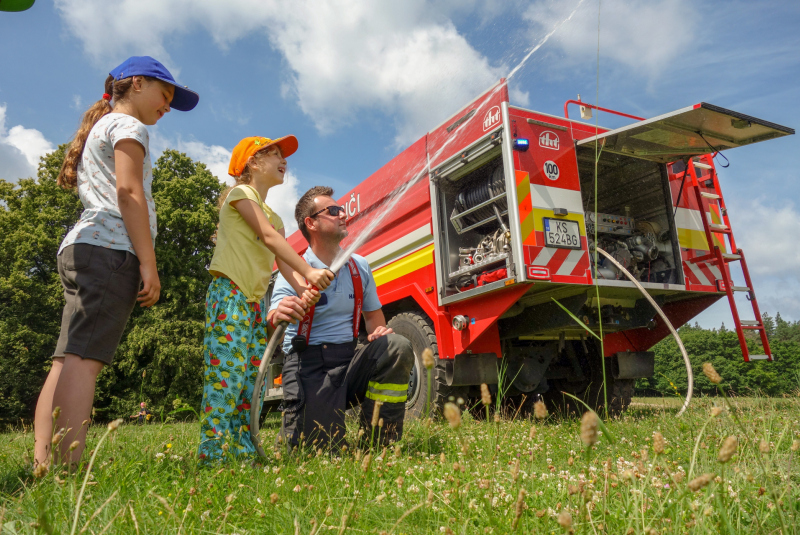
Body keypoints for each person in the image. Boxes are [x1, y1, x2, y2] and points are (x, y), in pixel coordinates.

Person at [33, 56, 199, 469]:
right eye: (166, 94)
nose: (167, 105)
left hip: (83, 247)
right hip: (110, 249)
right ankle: (68, 470)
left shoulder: (102, 127)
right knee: (86, 361)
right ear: (137, 84)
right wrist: (149, 262)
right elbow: (128, 193)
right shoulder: (129, 126)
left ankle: (44, 465)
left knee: (66, 359)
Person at [198, 137, 334, 462]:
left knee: (250, 384)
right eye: (273, 154)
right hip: (230, 295)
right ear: (252, 163)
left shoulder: (277, 217)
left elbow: (282, 263)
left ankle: (242, 454)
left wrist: (304, 289)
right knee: (226, 379)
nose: (282, 160)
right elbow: (269, 239)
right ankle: (213, 457)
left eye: (282, 156)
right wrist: (309, 270)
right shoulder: (240, 194)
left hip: (254, 304)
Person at [268, 186, 414, 451]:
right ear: (310, 223)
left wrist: (379, 332)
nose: (342, 214)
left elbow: (374, 320)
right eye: (333, 211)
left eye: (342, 209)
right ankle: (301, 426)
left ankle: (379, 444)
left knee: (397, 347)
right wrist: (279, 313)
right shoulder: (294, 269)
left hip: (348, 362)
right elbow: (272, 319)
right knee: (319, 453)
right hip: (307, 367)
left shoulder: (360, 266)